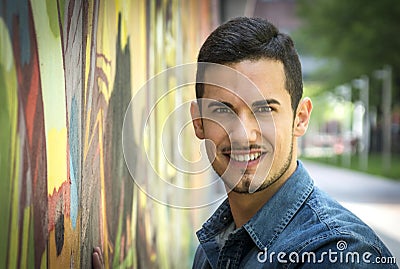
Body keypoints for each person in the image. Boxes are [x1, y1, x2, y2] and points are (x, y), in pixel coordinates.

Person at [190, 17, 397, 268]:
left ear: (300, 118)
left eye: (265, 109)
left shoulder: (339, 255)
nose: (244, 135)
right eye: (222, 110)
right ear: (199, 122)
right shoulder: (213, 245)